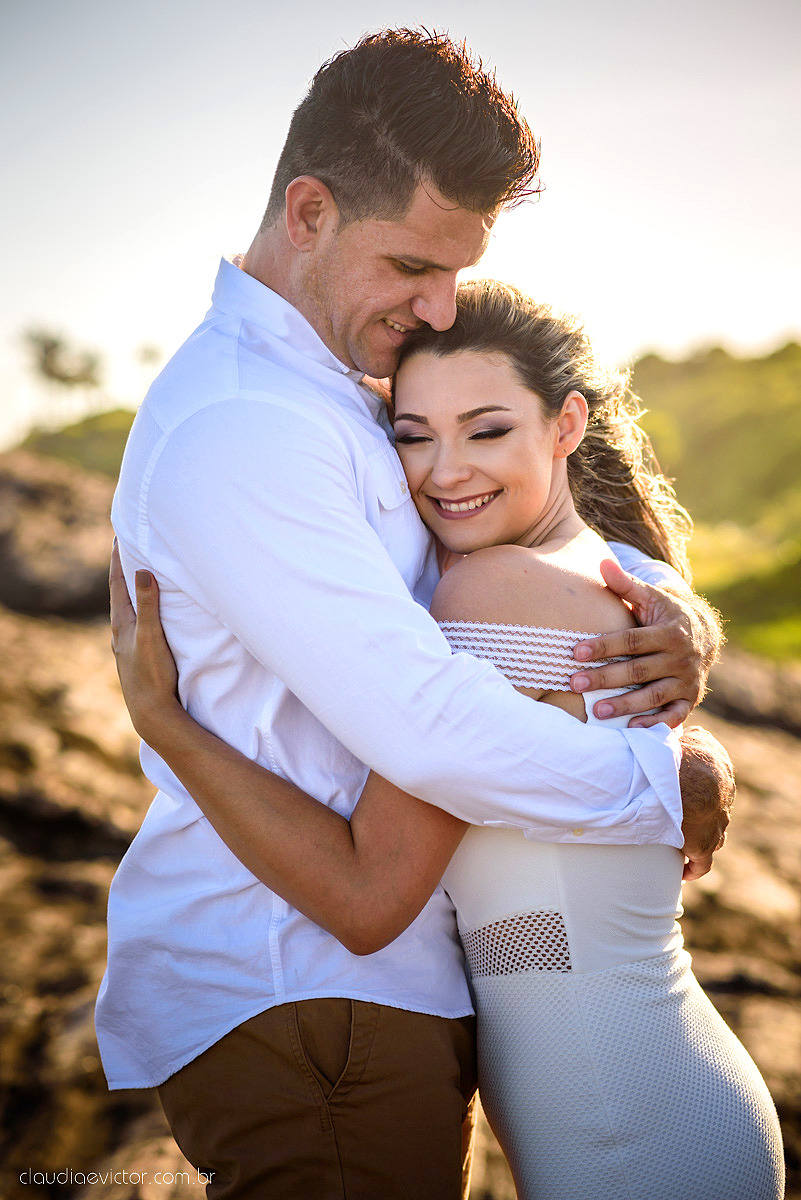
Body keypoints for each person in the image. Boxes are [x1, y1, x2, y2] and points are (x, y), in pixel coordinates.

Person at [99, 28, 733, 1200]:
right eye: (410, 267)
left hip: (371, 996)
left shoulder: (335, 390)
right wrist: (660, 782)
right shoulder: (246, 426)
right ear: (308, 212)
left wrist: (678, 627)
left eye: (456, 269)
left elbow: (544, 536)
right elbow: (429, 728)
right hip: (311, 994)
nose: (438, 305)